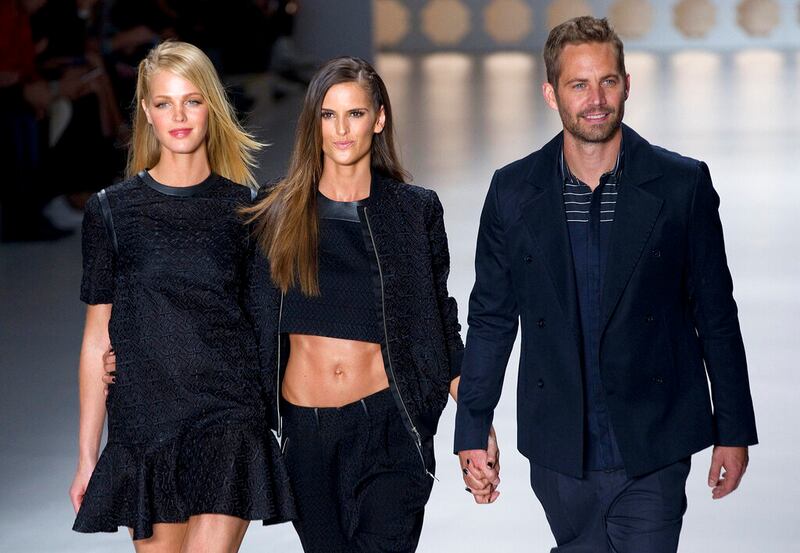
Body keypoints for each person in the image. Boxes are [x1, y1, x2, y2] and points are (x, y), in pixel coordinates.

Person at [454, 16, 757, 553]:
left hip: (654, 437)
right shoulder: (513, 192)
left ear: (626, 84)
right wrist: (473, 425)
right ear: (551, 94)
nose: (595, 100)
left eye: (607, 81)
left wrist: (732, 429)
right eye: (578, 84)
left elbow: (715, 313)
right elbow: (492, 318)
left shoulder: (681, 185)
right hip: (560, 447)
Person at [242, 56, 489, 553]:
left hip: (388, 426)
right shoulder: (276, 212)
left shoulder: (412, 211)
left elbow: (441, 325)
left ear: (378, 119)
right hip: (306, 437)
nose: (341, 129)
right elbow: (238, 317)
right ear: (313, 123)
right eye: (328, 115)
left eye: (355, 114)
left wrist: (476, 425)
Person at [69, 41, 295, 551]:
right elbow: (96, 340)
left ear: (211, 107)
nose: (178, 115)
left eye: (192, 101)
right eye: (164, 103)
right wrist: (87, 457)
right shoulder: (111, 212)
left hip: (228, 416)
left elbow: (266, 323)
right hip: (147, 423)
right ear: (146, 112)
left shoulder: (246, 209)